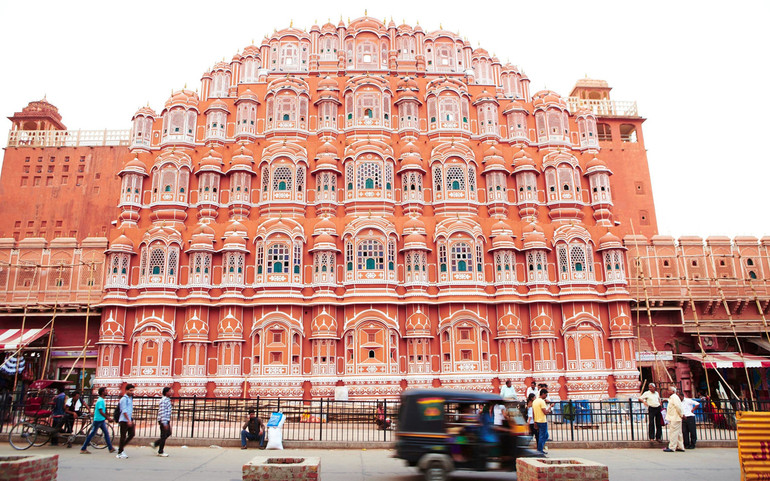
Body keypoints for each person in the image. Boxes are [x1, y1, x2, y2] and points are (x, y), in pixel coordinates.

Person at [80, 387, 115, 454]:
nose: (106, 392)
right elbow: (101, 411)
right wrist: (108, 417)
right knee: (92, 434)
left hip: (101, 420)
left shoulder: (101, 400)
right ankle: (83, 448)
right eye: (105, 391)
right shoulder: (100, 401)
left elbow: (103, 410)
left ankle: (110, 448)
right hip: (98, 420)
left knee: (106, 433)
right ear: (102, 392)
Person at [150, 386, 173, 457]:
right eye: (170, 391)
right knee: (164, 435)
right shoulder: (164, 400)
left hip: (166, 419)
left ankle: (156, 444)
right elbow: (162, 411)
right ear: (166, 393)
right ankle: (160, 451)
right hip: (164, 420)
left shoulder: (167, 400)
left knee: (168, 433)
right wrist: (164, 422)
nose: (171, 392)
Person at [116, 384, 135, 459]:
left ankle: (121, 447)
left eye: (132, 390)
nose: (132, 392)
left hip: (128, 419)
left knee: (132, 434)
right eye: (130, 390)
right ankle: (120, 452)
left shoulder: (130, 398)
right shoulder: (124, 399)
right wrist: (128, 420)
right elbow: (124, 410)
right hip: (124, 420)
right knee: (123, 436)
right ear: (126, 390)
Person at [664, 386, 685, 452]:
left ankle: (672, 447)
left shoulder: (674, 397)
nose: (668, 391)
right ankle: (680, 446)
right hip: (675, 417)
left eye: (669, 390)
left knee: (673, 433)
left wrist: (682, 414)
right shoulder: (672, 398)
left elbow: (678, 407)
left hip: (675, 417)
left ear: (673, 391)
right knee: (678, 433)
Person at [532, 389, 551, 455]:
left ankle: (540, 448)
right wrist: (550, 408)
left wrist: (534, 421)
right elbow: (545, 412)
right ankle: (540, 450)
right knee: (543, 436)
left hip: (537, 420)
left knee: (543, 435)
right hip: (542, 421)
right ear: (543, 394)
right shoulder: (542, 402)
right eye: (546, 395)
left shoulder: (534, 401)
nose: (546, 396)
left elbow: (533, 412)